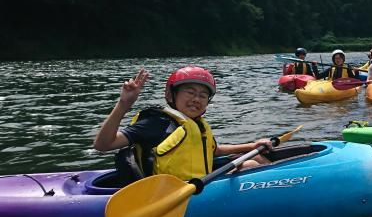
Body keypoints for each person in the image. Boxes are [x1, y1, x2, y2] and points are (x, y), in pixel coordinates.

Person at [93, 66, 273, 183]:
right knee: (250, 166)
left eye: (203, 95)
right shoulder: (156, 122)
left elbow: (213, 150)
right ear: (172, 95)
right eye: (190, 92)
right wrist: (123, 105)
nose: (196, 99)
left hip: (200, 181)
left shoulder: (197, 124)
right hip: (172, 192)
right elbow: (103, 144)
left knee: (257, 158)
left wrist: (252, 145)